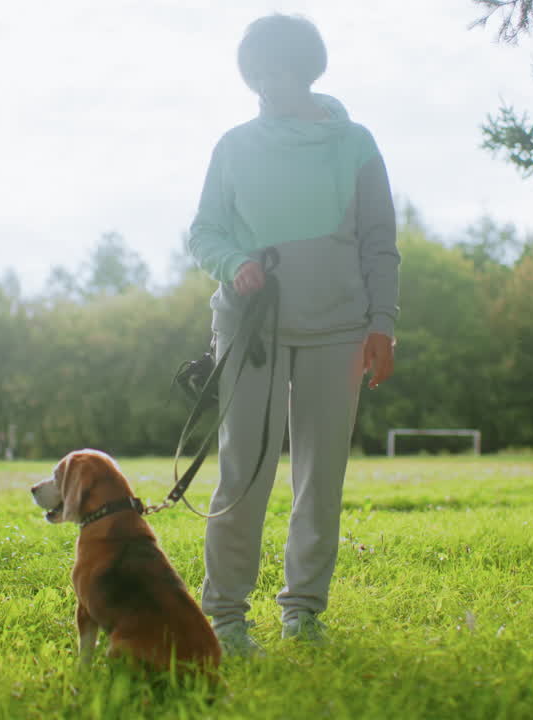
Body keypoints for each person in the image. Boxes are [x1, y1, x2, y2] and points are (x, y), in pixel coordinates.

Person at [186, 13, 399, 656]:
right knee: (242, 471)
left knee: (320, 477)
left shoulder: (356, 144)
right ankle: (224, 617)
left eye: (275, 71)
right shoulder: (234, 145)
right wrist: (234, 264)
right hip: (251, 326)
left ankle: (303, 612)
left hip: (339, 329)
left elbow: (380, 244)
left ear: (307, 69)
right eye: (254, 73)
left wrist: (382, 326)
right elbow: (204, 233)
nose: (264, 85)